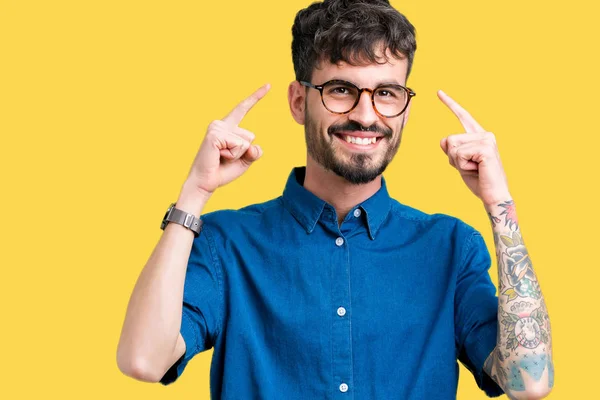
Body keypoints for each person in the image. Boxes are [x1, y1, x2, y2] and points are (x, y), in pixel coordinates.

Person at [117, 0, 554, 398]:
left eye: (386, 93)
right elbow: (144, 360)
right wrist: (194, 194)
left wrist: (500, 205)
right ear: (298, 100)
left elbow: (529, 382)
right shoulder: (225, 244)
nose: (366, 115)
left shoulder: (451, 247)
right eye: (341, 89)